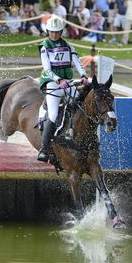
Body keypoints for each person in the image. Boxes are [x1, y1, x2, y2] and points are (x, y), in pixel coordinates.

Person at [37, 15, 90, 162]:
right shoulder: (45, 46)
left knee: (79, 107)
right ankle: (44, 148)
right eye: (52, 32)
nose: (54, 35)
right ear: (48, 32)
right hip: (53, 83)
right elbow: (47, 68)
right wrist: (58, 80)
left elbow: (77, 62)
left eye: (57, 32)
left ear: (61, 32)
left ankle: (71, 135)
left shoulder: (68, 46)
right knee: (53, 114)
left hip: (67, 82)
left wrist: (84, 76)